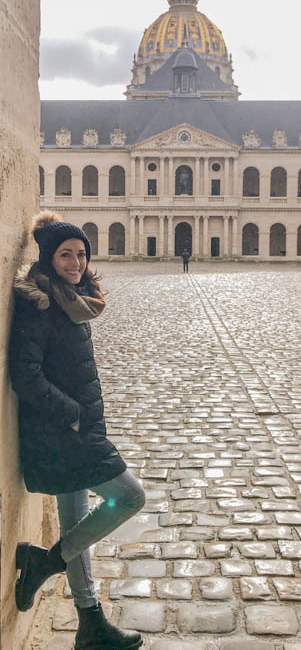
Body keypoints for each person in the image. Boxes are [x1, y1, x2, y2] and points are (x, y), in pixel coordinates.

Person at [9, 211, 145, 650]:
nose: (75, 262)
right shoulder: (42, 304)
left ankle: (90, 623)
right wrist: (71, 413)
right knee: (128, 497)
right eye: (65, 255)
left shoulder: (73, 297)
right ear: (48, 258)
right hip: (66, 432)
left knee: (75, 524)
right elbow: (25, 374)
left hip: (76, 427)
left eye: (81, 254)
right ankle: (46, 561)